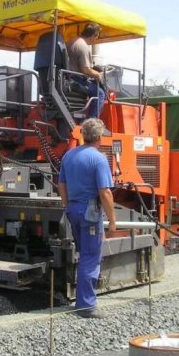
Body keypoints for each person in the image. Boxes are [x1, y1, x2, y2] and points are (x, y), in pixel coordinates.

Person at [58, 118, 117, 318]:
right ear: (99, 137)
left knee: (84, 254)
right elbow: (105, 192)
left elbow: (62, 185)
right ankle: (86, 306)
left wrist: (67, 206)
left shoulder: (68, 156)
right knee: (90, 258)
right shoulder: (99, 159)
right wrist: (112, 220)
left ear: (83, 135)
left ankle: (83, 298)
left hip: (73, 209)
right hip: (90, 212)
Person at [67, 23, 105, 118]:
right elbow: (86, 70)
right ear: (94, 35)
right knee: (100, 93)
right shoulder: (83, 46)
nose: (96, 39)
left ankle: (83, 118)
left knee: (91, 87)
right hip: (75, 80)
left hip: (67, 78)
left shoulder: (72, 42)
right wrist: (98, 75)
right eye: (97, 36)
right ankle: (91, 123)